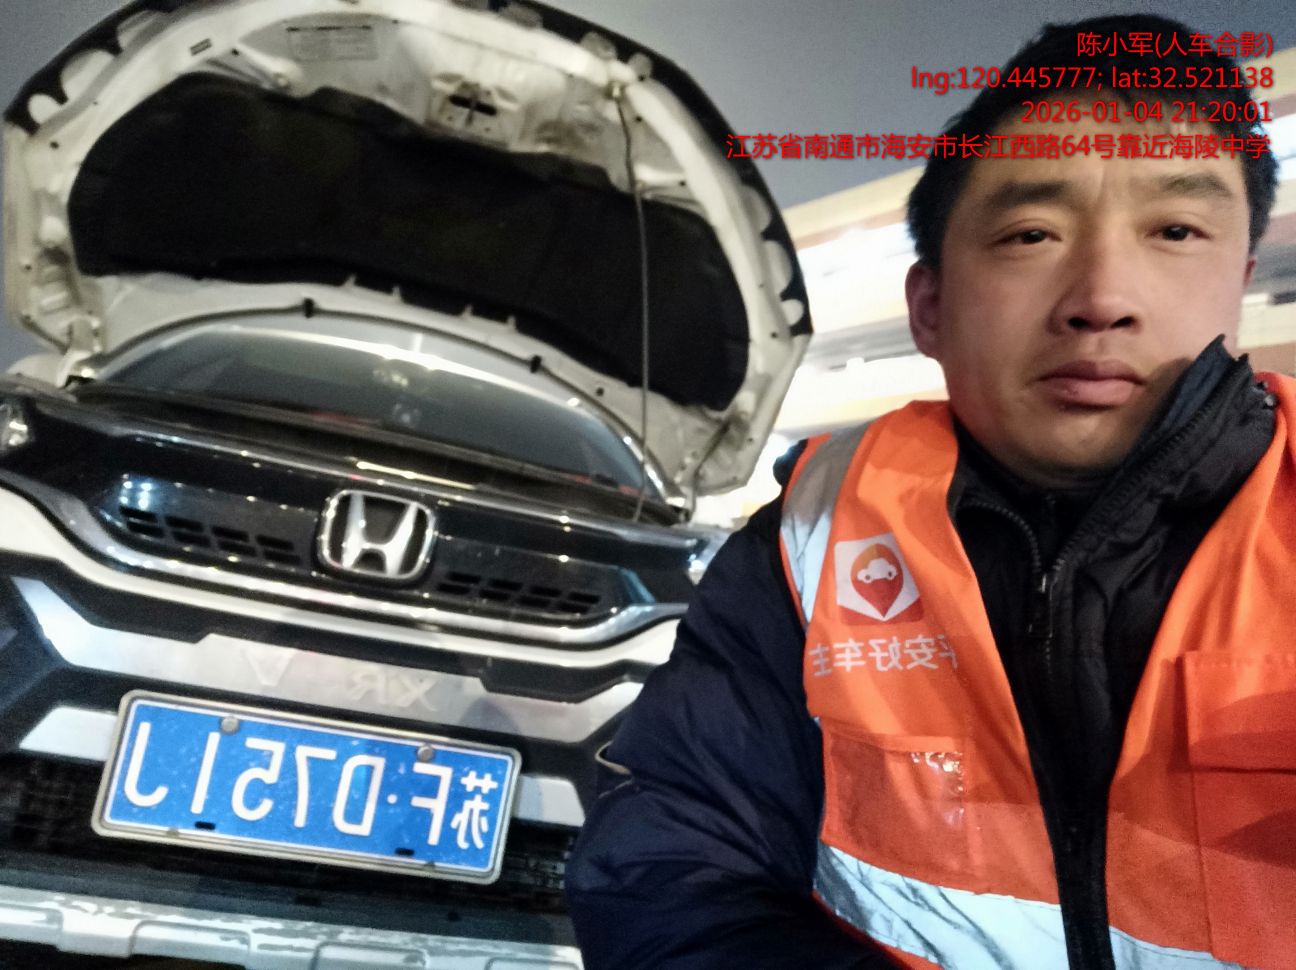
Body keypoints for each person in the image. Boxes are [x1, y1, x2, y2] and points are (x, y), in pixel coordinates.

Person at [565, 13, 1292, 970]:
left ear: (1240, 281)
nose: (1102, 297)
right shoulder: (809, 539)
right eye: (1031, 234)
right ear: (930, 308)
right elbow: (677, 875)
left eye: (1175, 230)